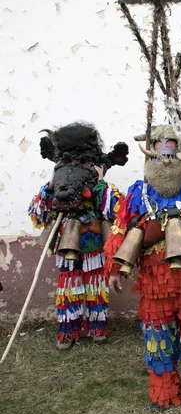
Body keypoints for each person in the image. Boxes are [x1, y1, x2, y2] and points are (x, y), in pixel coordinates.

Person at [104, 124, 181, 411]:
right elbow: (120, 231)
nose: (166, 152)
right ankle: (164, 390)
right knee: (158, 336)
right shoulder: (139, 192)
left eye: (173, 145)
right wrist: (115, 268)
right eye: (159, 146)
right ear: (150, 152)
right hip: (154, 283)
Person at [28, 123, 128, 351]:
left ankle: (97, 328)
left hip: (92, 238)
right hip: (67, 241)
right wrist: (51, 184)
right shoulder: (57, 183)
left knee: (96, 284)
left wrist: (101, 184)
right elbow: (38, 211)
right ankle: (68, 331)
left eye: (82, 161)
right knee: (69, 285)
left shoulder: (100, 182)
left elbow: (114, 210)